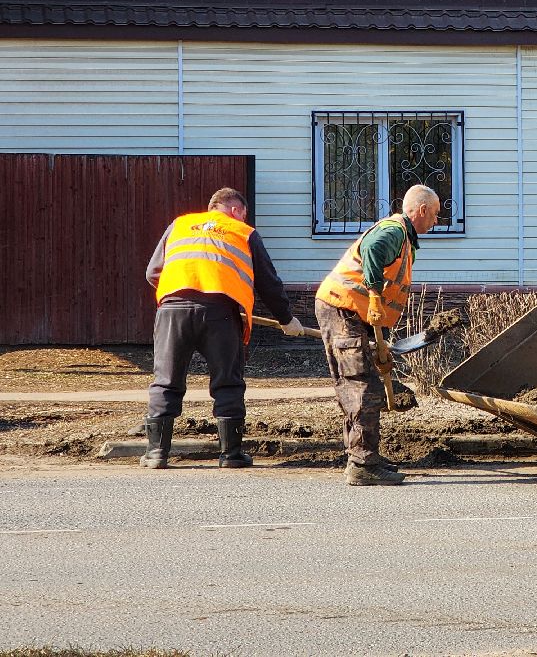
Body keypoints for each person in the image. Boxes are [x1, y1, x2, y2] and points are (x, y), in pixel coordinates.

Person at [144, 188, 303, 469]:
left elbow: (153, 272)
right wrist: (286, 319)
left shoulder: (178, 225)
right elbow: (268, 282)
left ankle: (157, 453)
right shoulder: (244, 233)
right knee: (227, 381)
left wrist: (181, 295)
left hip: (172, 311)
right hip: (220, 313)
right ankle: (230, 455)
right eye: (244, 214)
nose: (245, 219)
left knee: (165, 381)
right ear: (235, 210)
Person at [314, 184, 441, 486]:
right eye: (435, 215)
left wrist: (378, 341)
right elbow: (372, 250)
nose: (436, 222)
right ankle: (362, 464)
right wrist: (373, 297)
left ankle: (364, 455)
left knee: (360, 380)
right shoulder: (395, 231)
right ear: (421, 210)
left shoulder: (404, 238)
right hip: (343, 308)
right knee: (360, 386)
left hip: (350, 313)